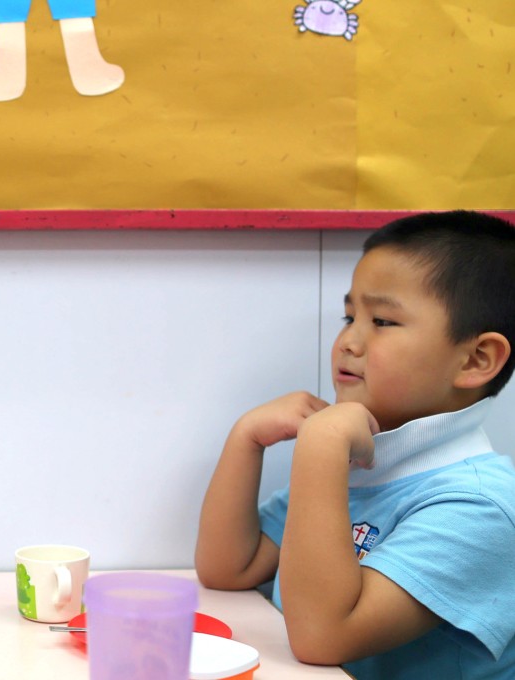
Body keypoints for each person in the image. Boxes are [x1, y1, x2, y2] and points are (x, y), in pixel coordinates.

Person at [195, 211, 515, 678]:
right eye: (350, 316)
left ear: (475, 360)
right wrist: (246, 439)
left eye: (382, 320)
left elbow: (323, 637)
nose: (348, 341)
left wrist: (320, 449)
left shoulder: (483, 506)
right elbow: (230, 569)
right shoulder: (366, 466)